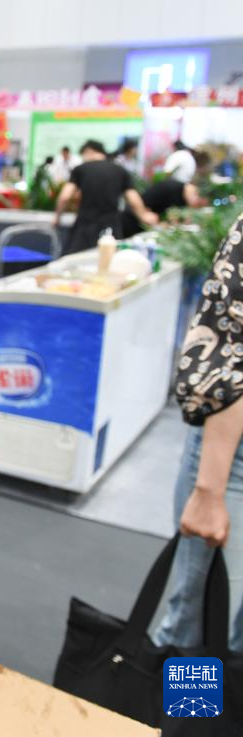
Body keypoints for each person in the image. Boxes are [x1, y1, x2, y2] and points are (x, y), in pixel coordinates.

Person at [153, 211, 243, 652]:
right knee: (199, 621)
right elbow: (230, 354)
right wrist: (209, 490)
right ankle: (184, 698)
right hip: (234, 459)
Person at [54, 140, 157, 254]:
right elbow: (133, 199)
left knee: (76, 260)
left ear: (88, 151)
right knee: (109, 259)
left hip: (85, 227)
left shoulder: (81, 169)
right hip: (111, 228)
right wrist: (144, 216)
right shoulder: (119, 170)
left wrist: (57, 217)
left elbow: (65, 196)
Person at [122, 151, 211, 237]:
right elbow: (142, 204)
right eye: (198, 200)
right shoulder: (170, 187)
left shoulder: (182, 196)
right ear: (195, 191)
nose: (196, 204)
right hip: (132, 222)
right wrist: (145, 215)